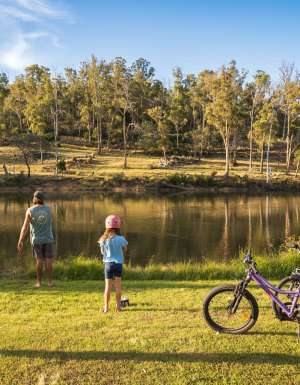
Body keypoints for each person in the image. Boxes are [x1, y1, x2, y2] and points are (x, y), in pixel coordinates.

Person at [17, 191, 55, 288]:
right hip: (48, 239)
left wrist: (20, 240)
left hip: (36, 240)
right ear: (43, 199)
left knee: (39, 260)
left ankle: (38, 283)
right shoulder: (49, 209)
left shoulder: (30, 210)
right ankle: (50, 282)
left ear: (34, 199)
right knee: (49, 260)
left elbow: (25, 227)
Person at [98, 215, 128, 313]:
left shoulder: (103, 238)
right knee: (118, 286)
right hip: (118, 264)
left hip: (108, 265)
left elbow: (102, 252)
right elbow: (125, 249)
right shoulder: (121, 238)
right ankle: (118, 307)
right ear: (118, 226)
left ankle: (106, 308)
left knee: (108, 287)